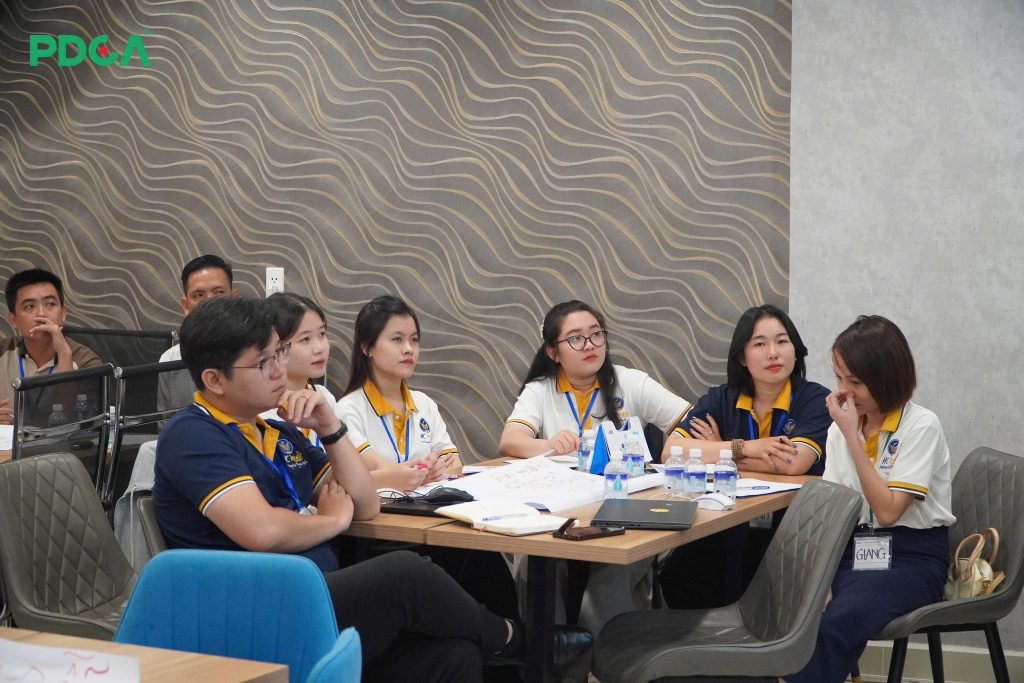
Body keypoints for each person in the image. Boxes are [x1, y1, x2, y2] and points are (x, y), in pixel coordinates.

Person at [153, 296, 592, 683]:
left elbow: (363, 504)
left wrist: (329, 427)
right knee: (405, 573)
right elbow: (264, 531)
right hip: (253, 610)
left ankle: (512, 645)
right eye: (263, 362)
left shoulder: (279, 433)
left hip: (311, 595)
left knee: (453, 656)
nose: (279, 370)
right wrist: (332, 520)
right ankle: (518, 641)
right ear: (215, 380)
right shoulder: (193, 434)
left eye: (280, 353)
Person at [498, 300, 691, 634]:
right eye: (576, 338)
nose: (589, 345)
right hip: (562, 513)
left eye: (596, 335)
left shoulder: (630, 382)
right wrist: (548, 444)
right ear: (553, 352)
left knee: (612, 568)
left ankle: (600, 656)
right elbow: (509, 441)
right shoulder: (540, 390)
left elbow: (690, 421)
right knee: (533, 560)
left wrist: (672, 450)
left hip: (626, 512)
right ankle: (550, 651)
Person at [785, 315, 953, 683]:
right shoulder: (842, 427)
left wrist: (851, 438)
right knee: (789, 604)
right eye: (839, 378)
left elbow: (889, 511)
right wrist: (819, 575)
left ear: (887, 377)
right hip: (852, 550)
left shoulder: (920, 426)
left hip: (912, 558)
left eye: (856, 382)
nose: (844, 392)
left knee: (839, 619)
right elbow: (831, 511)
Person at [658, 305, 831, 607]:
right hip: (722, 525)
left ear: (795, 350)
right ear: (742, 356)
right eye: (760, 344)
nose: (773, 353)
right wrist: (744, 448)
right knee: (678, 573)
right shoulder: (721, 398)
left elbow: (794, 463)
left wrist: (719, 453)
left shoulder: (815, 399)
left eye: (782, 341)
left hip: (789, 528)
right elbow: (671, 451)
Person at [336, 295, 462, 491]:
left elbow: (454, 463)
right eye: (397, 339)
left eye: (414, 340)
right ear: (367, 347)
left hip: (429, 505)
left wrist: (435, 470)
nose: (408, 349)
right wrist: (422, 473)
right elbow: (371, 467)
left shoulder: (424, 403)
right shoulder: (347, 409)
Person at [0, 268, 102, 423]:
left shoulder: (86, 361)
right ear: (13, 320)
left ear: (63, 314)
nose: (41, 313)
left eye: (50, 304)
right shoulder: (2, 351)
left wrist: (64, 355)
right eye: (29, 306)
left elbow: (71, 416)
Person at [157, 255, 238, 412]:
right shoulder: (169, 359)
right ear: (186, 305)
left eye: (219, 292)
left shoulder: (257, 354)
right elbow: (166, 421)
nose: (210, 302)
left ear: (234, 298)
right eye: (199, 295)